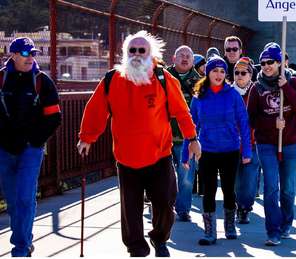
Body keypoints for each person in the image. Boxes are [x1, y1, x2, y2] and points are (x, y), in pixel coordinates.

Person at [77, 31, 201, 257]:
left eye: (141, 50)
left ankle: (159, 238)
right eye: (131, 50)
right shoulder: (112, 79)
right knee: (130, 211)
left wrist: (192, 139)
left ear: (150, 54)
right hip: (126, 158)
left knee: (165, 203)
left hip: (160, 155)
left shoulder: (164, 79)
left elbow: (182, 112)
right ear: (125, 54)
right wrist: (87, 137)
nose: (136, 54)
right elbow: (95, 110)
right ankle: (136, 249)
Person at [0, 37, 62, 257]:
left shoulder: (41, 81)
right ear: (13, 55)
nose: (31, 58)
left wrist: (35, 141)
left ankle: (21, 248)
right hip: (4, 150)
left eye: (33, 54)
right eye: (26, 54)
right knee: (12, 201)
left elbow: (54, 116)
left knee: (25, 197)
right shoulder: (1, 78)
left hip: (31, 150)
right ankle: (24, 239)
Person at [181, 54, 251, 245]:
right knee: (209, 191)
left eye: (222, 71)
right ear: (208, 73)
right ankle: (209, 232)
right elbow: (191, 128)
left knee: (229, 190)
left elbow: (244, 124)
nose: (219, 74)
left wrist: (247, 152)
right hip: (207, 151)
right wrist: (186, 155)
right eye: (214, 71)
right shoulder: (199, 97)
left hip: (230, 150)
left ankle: (229, 226)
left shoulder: (233, 95)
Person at [247, 43, 296, 246]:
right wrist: (272, 123)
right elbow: (251, 118)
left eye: (270, 62)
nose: (266, 66)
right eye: (262, 63)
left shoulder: (295, 81)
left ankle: (286, 224)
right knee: (271, 187)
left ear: (279, 62)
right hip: (266, 144)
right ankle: (272, 230)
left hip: (291, 143)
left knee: (287, 188)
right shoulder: (257, 87)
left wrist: (285, 87)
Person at [166, 45, 202, 222]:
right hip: (163, 136)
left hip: (187, 138)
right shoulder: (162, 77)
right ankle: (165, 206)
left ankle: (183, 209)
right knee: (164, 176)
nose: (185, 58)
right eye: (181, 55)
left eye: (188, 55)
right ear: (174, 58)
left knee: (186, 177)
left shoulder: (199, 81)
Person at [231, 57, 260, 224]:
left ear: (251, 74)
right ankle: (236, 205)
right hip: (232, 145)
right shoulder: (227, 92)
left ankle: (245, 208)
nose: (240, 76)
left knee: (249, 179)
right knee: (236, 181)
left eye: (244, 73)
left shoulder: (257, 91)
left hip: (253, 143)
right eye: (236, 72)